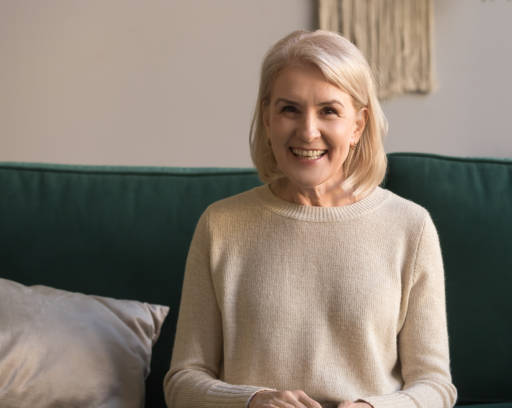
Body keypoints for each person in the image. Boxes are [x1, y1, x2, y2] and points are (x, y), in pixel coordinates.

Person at [164, 29, 457, 408]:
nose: (307, 131)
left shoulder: (411, 227)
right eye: (289, 109)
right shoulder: (220, 225)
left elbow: (435, 385)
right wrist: (254, 402)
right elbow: (181, 382)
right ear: (267, 118)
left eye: (329, 111)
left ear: (358, 125)